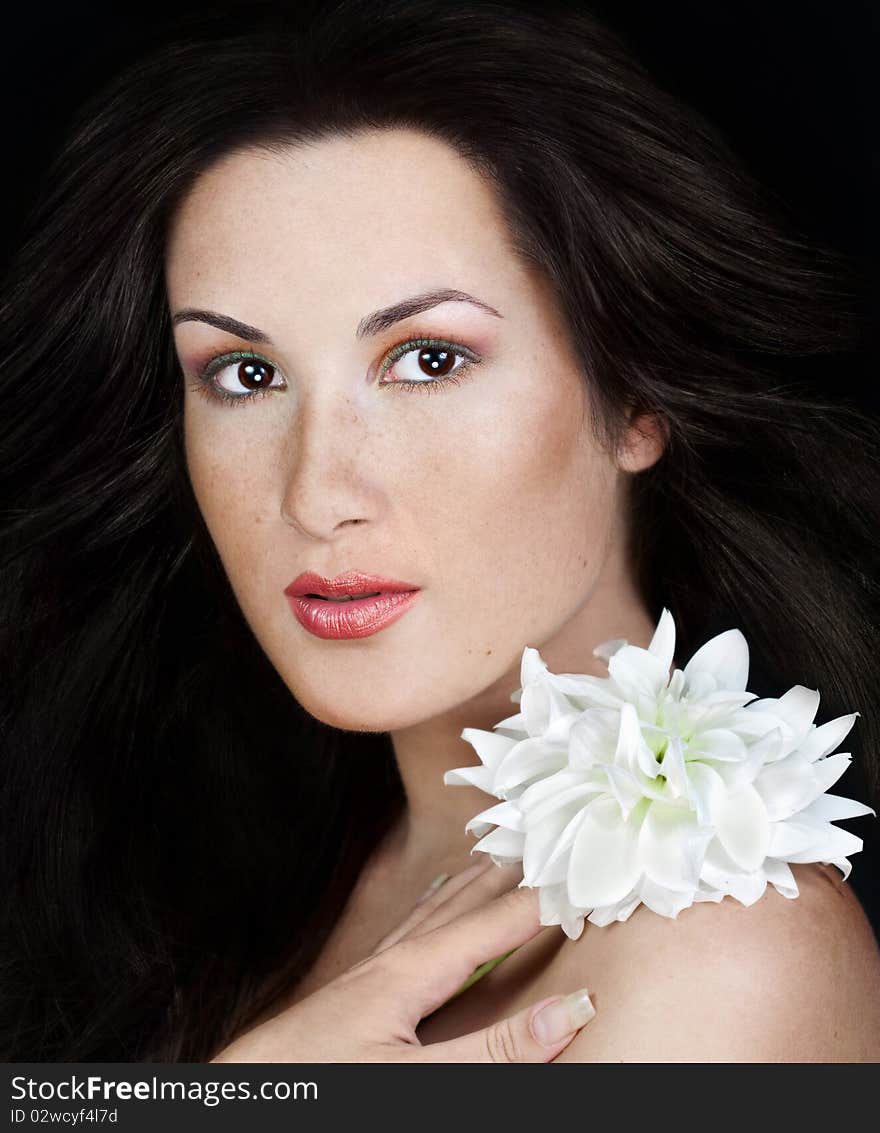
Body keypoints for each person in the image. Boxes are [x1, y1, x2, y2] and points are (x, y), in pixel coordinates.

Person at [1, 0, 878, 1063]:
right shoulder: (190, 845)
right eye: (246, 373)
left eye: (428, 359)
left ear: (638, 398)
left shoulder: (726, 957)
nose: (316, 493)